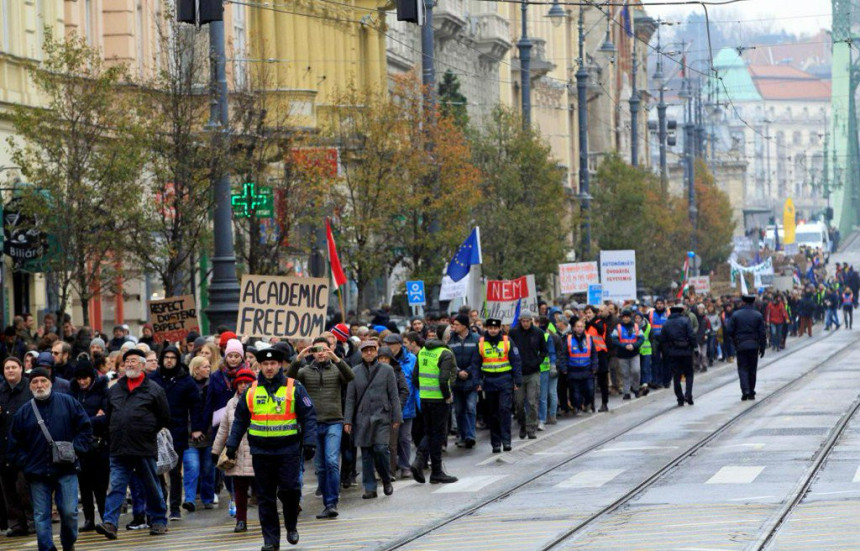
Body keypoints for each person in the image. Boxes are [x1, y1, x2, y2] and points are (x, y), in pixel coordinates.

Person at [226, 347, 317, 549]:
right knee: (265, 498)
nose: (269, 368)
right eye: (265, 364)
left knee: (290, 490)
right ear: (259, 366)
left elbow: (309, 415)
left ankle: (291, 525)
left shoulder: (295, 387)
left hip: (288, 450)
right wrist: (231, 445)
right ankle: (271, 541)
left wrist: (310, 441)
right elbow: (240, 420)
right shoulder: (251, 390)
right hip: (261, 452)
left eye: (273, 364)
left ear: (280, 365)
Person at [8, 367, 92, 551]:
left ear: (50, 383)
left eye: (43, 381)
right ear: (30, 386)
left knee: (70, 513)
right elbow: (14, 443)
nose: (39, 385)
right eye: (35, 382)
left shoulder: (68, 403)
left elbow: (85, 428)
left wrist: (75, 449)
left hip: (66, 469)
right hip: (37, 473)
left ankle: (68, 543)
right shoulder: (23, 412)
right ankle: (47, 549)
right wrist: (25, 462)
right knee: (40, 516)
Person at [96, 349, 171, 540]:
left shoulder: (154, 389)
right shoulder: (114, 389)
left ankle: (158, 520)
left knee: (151, 486)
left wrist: (146, 430)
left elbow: (164, 417)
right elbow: (108, 416)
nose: (129, 364)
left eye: (133, 361)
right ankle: (110, 523)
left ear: (143, 364)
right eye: (126, 361)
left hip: (143, 446)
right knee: (117, 486)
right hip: (119, 447)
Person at [287, 336, 355, 518]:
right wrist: (298, 357)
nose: (321, 353)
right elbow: (289, 380)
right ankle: (327, 502)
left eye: (324, 349)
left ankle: (332, 502)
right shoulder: (305, 371)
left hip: (334, 421)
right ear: (313, 353)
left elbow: (350, 376)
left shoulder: (336, 369)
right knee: (321, 467)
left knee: (332, 461)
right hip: (313, 424)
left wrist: (337, 359)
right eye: (317, 350)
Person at [149, 345, 205, 521]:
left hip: (177, 430)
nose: (169, 361)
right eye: (166, 357)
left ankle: (174, 508)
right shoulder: (153, 379)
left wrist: (196, 428)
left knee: (174, 470)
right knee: (156, 470)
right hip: (154, 431)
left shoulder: (185, 380)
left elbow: (195, 406)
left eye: (173, 357)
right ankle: (160, 502)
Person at [344, 340, 402, 499]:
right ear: (361, 353)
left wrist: (397, 416)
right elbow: (350, 398)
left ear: (376, 352)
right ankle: (370, 487)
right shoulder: (354, 371)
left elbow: (394, 395)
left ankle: (386, 478)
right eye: (365, 351)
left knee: (381, 449)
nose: (368, 353)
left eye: (371, 350)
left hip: (382, 416)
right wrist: (347, 421)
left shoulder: (387, 370)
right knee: (367, 453)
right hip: (362, 418)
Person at [211, 367, 257, 533]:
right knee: (239, 489)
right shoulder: (231, 403)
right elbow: (223, 429)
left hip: (258, 451)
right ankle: (241, 520)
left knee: (263, 490)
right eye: (240, 383)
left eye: (247, 382)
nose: (243, 385)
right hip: (236, 451)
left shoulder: (261, 399)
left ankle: (268, 519)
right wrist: (216, 451)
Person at [411, 330, 458, 484]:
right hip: (439, 400)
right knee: (437, 435)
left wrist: (424, 390)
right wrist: (447, 396)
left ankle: (420, 462)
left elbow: (415, 377)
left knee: (429, 432)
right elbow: (444, 380)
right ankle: (435, 471)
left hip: (424, 398)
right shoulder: (445, 353)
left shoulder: (423, 350)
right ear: (447, 337)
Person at [70, 359, 109, 532]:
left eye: (85, 378)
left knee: (100, 485)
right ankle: (89, 519)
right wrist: (93, 419)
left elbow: (106, 417)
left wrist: (86, 421)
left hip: (99, 445)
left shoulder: (102, 391)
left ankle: (105, 517)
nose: (82, 381)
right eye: (79, 378)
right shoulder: (74, 393)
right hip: (80, 445)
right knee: (84, 484)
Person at [0, 357, 34, 537]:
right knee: (8, 489)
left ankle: (32, 521)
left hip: (24, 448)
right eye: (7, 368)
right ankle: (16, 524)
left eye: (14, 367)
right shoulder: (1, 390)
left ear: (21, 369)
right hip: (3, 448)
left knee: (24, 488)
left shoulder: (29, 388)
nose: (11, 371)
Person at [182, 356, 215, 512]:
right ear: (196, 369)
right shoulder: (187, 386)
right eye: (204, 367)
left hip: (208, 435)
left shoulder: (212, 385)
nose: (208, 369)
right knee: (192, 467)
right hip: (190, 436)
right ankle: (189, 499)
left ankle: (207, 498)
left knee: (208, 468)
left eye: (209, 366)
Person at [508, 310, 547, 440]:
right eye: (523, 321)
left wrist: (537, 362)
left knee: (532, 401)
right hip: (518, 373)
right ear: (520, 321)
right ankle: (522, 424)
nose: (525, 323)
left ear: (531, 320)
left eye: (527, 321)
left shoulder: (538, 333)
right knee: (518, 403)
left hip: (533, 373)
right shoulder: (513, 333)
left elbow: (544, 351)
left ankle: (531, 428)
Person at [446, 314, 480, 448]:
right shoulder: (451, 340)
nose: (454, 327)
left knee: (471, 408)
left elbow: (477, 359)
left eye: (457, 324)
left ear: (465, 326)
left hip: (471, 381)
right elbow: (449, 358)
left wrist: (469, 371)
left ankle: (470, 436)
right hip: (457, 381)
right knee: (459, 410)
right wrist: (458, 371)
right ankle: (462, 435)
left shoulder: (476, 339)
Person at [725, 294, 768, 401]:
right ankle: (751, 391)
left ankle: (745, 390)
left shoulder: (736, 315)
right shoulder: (758, 315)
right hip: (754, 345)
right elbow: (762, 333)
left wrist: (734, 340)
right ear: (753, 303)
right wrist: (762, 347)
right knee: (752, 369)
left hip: (741, 345)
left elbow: (728, 331)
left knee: (743, 369)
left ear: (743, 302)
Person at [660, 305, 696, 407]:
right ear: (680, 312)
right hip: (686, 351)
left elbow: (663, 340)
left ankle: (680, 398)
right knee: (689, 373)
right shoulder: (686, 321)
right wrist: (694, 346)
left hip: (673, 353)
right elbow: (691, 335)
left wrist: (667, 351)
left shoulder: (666, 323)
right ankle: (688, 394)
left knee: (676, 376)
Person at [560, 319, 598, 415]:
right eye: (578, 326)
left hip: (587, 369)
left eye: (581, 326)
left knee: (590, 390)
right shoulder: (568, 339)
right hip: (573, 370)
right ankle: (578, 407)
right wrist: (564, 368)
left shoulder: (589, 338)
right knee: (575, 392)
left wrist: (594, 366)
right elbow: (564, 354)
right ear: (574, 328)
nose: (580, 328)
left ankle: (587, 404)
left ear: (584, 328)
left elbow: (593, 354)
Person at [609, 309, 646, 400]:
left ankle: (636, 388)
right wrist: (624, 346)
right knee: (625, 374)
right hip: (622, 354)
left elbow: (641, 338)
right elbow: (614, 339)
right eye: (624, 317)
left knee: (636, 371)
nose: (625, 319)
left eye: (627, 317)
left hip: (634, 353)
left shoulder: (636, 327)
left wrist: (634, 345)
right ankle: (627, 392)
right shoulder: (618, 327)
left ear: (630, 317)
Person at [648, 298, 670, 388]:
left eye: (661, 303)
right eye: (658, 303)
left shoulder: (668, 313)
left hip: (666, 339)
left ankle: (666, 381)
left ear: (664, 304)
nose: (659, 305)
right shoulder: (651, 314)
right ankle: (656, 381)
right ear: (655, 304)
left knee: (666, 361)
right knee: (655, 360)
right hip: (655, 339)